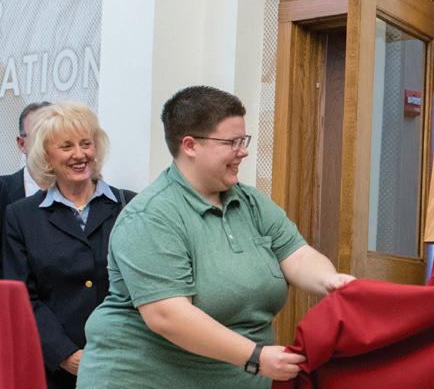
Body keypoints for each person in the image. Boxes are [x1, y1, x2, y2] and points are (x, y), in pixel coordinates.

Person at [75, 86, 356, 388]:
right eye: (232, 142)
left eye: (243, 140)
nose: (243, 151)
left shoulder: (251, 203)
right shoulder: (150, 216)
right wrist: (255, 357)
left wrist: (329, 280)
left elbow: (298, 256)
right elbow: (167, 315)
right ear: (190, 146)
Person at [1, 102, 133, 389]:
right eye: (66, 146)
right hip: (53, 371)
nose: (79, 154)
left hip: (123, 364)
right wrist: (65, 354)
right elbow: (23, 297)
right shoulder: (21, 216)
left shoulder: (130, 206)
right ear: (46, 155)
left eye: (86, 143)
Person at [0, 101, 52, 270]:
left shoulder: (78, 195)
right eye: (39, 136)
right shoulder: (3, 190)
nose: (49, 144)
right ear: (22, 144)